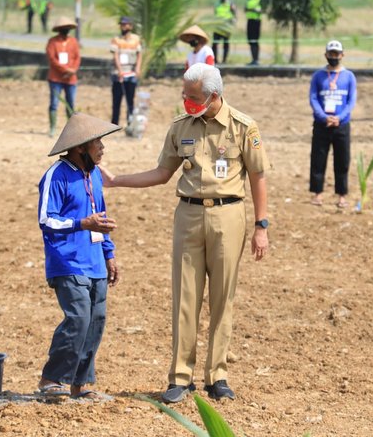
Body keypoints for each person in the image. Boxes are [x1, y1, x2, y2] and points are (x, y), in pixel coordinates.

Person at [101, 63, 269, 403]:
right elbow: (162, 172)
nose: (186, 101)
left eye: (192, 97)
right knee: (184, 297)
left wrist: (260, 226)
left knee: (223, 297)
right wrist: (117, 180)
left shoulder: (243, 127)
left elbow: (257, 177)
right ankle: (180, 376)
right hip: (188, 215)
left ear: (214, 95)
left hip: (229, 215)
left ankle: (217, 375)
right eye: (184, 95)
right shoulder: (180, 128)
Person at [36, 112, 121, 400]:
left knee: (96, 321)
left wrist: (109, 254)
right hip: (67, 262)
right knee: (78, 319)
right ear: (80, 146)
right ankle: (52, 379)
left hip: (95, 261)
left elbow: (102, 217)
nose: (103, 147)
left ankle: (81, 384)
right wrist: (81, 223)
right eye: (98, 141)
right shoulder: (55, 176)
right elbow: (47, 220)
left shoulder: (94, 175)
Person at [308, 40, 357, 208]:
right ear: (326, 55)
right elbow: (313, 98)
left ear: (342, 55)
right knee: (318, 158)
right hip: (322, 124)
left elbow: (351, 101)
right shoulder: (318, 76)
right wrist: (323, 117)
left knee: (342, 160)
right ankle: (317, 193)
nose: (334, 57)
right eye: (331, 54)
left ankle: (342, 195)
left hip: (341, 124)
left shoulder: (349, 76)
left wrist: (339, 117)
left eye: (337, 54)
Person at [46, 16, 81, 137]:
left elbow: (77, 57)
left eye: (67, 28)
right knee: (54, 103)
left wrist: (73, 70)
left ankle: (71, 129)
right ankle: (52, 127)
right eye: (63, 28)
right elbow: (52, 59)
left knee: (70, 103)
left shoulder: (73, 42)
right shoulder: (53, 42)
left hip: (71, 78)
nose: (65, 30)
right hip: (56, 78)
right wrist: (65, 69)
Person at [110, 16, 142, 127]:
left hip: (131, 73)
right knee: (116, 101)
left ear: (130, 26)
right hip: (119, 74)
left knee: (130, 101)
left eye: (125, 24)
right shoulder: (116, 39)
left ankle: (130, 124)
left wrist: (138, 68)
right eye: (122, 25)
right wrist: (119, 70)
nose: (123, 27)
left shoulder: (136, 39)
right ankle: (114, 125)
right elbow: (115, 56)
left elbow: (139, 55)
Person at [212, 0, 237, 64]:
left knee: (226, 43)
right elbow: (216, 13)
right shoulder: (217, 3)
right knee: (215, 43)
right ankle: (215, 60)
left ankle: (224, 60)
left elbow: (235, 14)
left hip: (226, 27)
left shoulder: (230, 4)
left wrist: (233, 22)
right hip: (218, 27)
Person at [245, 0, 262, 66]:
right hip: (250, 21)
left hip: (256, 21)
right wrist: (252, 10)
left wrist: (254, 10)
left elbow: (261, 10)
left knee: (255, 40)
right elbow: (245, 9)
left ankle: (256, 59)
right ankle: (253, 60)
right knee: (250, 40)